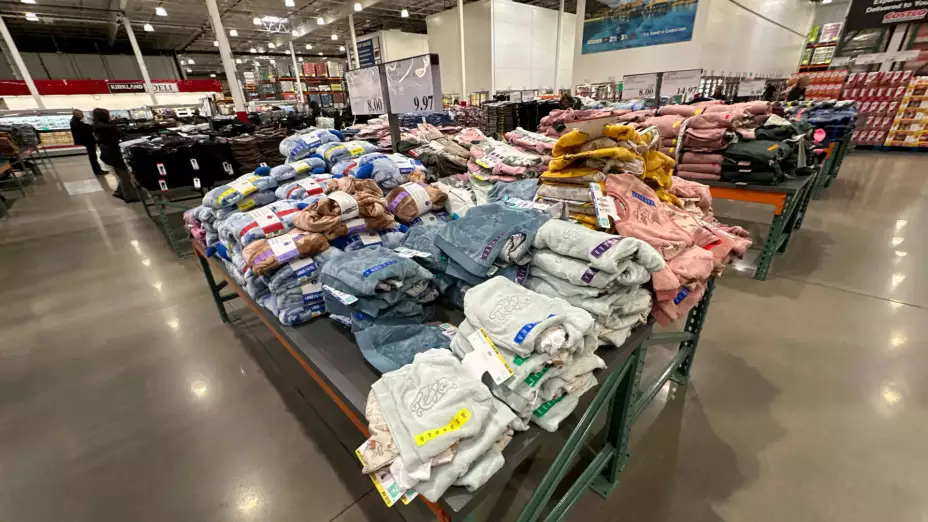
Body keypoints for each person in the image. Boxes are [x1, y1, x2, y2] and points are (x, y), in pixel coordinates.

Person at [92, 108, 138, 203]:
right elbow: (120, 135)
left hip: (107, 152)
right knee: (124, 174)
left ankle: (119, 192)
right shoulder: (108, 127)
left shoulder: (97, 126)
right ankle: (129, 196)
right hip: (113, 153)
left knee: (121, 172)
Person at [70, 109, 105, 175]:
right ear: (78, 114)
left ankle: (98, 170)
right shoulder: (78, 122)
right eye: (81, 114)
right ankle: (97, 170)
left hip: (86, 140)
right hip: (88, 141)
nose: (83, 115)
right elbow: (88, 129)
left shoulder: (74, 121)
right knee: (93, 156)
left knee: (92, 156)